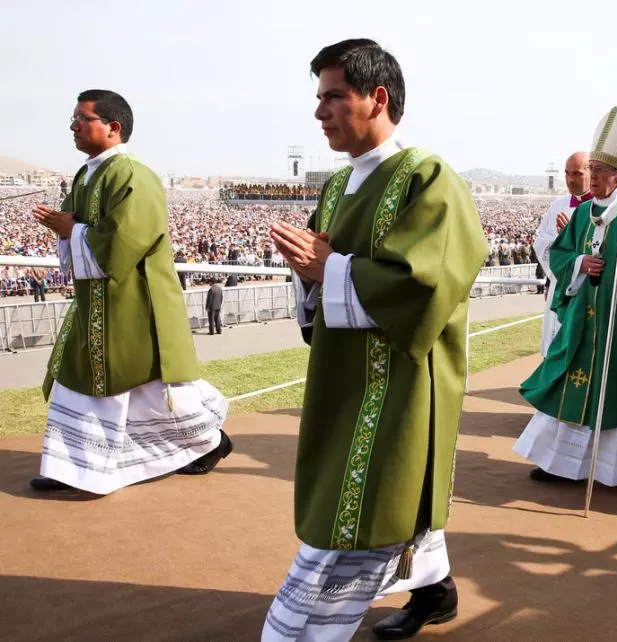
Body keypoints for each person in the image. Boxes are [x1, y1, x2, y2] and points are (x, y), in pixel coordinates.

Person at [262, 39, 488, 642]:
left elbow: (426, 285)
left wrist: (329, 269)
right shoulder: (336, 189)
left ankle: (302, 629)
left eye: (334, 96)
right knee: (377, 505)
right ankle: (434, 592)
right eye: (319, 98)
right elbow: (320, 278)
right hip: (344, 379)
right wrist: (310, 276)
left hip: (403, 384)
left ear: (377, 97)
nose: (320, 112)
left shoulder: (428, 178)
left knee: (368, 508)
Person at [30, 89, 231, 495]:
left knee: (149, 386)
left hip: (134, 301)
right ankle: (70, 465)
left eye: (82, 118)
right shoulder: (86, 174)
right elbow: (79, 227)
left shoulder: (132, 174)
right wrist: (64, 227)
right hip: (96, 301)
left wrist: (72, 230)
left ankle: (211, 440)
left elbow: (128, 238)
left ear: (113, 127)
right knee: (79, 376)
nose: (73, 126)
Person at [513, 106, 617, 487]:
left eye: (601, 172)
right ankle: (563, 465)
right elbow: (559, 254)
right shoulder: (584, 210)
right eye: (591, 171)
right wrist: (579, 264)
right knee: (571, 383)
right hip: (583, 319)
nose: (593, 178)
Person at [533, 152, 592, 356]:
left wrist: (569, 236)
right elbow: (541, 242)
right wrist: (550, 281)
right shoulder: (557, 206)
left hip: (589, 287)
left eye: (577, 173)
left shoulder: (603, 206)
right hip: (560, 281)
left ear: (592, 172)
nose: (570, 179)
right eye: (567, 173)